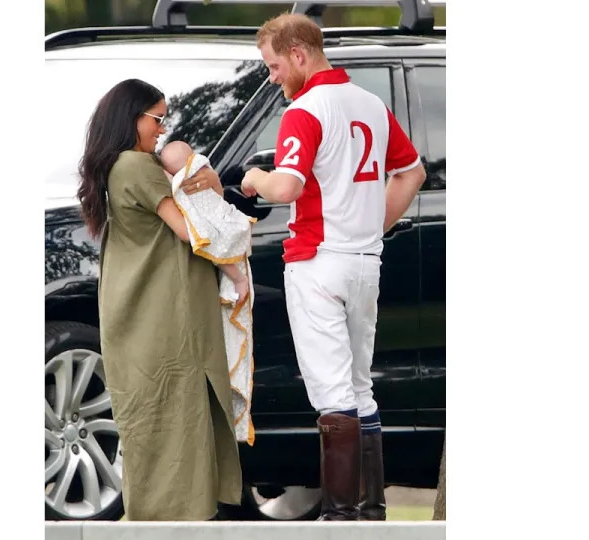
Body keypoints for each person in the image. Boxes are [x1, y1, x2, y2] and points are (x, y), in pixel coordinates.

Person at [243, 14, 428, 521]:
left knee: (331, 393)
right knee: (360, 387)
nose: (273, 76)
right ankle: (370, 511)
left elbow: (288, 188)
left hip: (318, 262)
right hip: (365, 260)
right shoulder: (371, 104)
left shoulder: (305, 110)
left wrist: (256, 177)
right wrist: (373, 224)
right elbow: (412, 173)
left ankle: (342, 515)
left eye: (275, 65)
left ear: (299, 54)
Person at [77, 78, 242, 521]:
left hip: (136, 317)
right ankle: (177, 521)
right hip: (164, 317)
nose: (162, 129)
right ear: (132, 118)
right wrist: (213, 193)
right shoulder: (137, 166)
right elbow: (192, 231)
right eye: (157, 119)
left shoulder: (114, 167)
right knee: (178, 423)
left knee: (150, 426)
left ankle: (155, 519)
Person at [160, 140, 258, 446]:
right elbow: (204, 232)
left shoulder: (195, 183)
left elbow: (208, 224)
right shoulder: (181, 189)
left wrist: (213, 184)